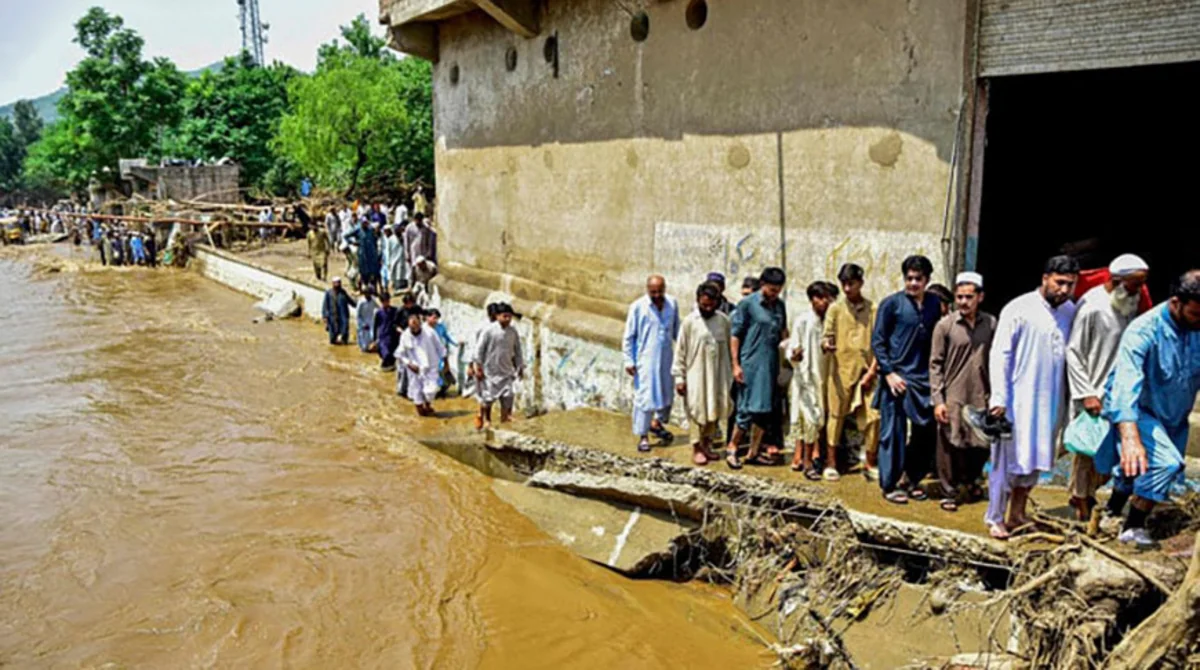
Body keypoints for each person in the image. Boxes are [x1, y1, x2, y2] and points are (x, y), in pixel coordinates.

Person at [1095, 271, 1200, 547]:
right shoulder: (1144, 330)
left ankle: (1112, 511)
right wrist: (1130, 436)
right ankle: (1133, 526)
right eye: (1195, 314)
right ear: (1176, 303)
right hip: (1139, 410)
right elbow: (1125, 385)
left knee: (1136, 467)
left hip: (1174, 412)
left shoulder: (1196, 328)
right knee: (1165, 463)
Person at [986, 255, 1079, 539]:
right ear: (1045, 278)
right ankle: (995, 517)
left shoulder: (1070, 311)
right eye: (1060, 282)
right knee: (1006, 463)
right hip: (1017, 402)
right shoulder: (1019, 308)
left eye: (1070, 284)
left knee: (1035, 460)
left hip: (1050, 402)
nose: (1064, 290)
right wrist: (999, 397)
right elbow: (1000, 353)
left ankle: (1017, 515)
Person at [1065, 253, 1149, 520]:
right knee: (1086, 452)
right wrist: (1087, 394)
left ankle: (1083, 495)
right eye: (1135, 284)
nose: (1140, 290)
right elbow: (1074, 352)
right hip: (1093, 391)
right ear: (1117, 281)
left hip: (1119, 392)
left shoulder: (1128, 303)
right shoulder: (1092, 306)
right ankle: (1081, 502)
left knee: (1107, 453)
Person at [872, 255, 942, 504]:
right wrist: (889, 373)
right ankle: (889, 485)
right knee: (893, 433)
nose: (913, 283)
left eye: (918, 279)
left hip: (923, 380)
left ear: (927, 280)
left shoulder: (934, 304)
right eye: (909, 278)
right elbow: (878, 342)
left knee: (926, 432)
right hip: (896, 379)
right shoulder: (891, 304)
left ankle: (910, 479)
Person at [930, 272, 996, 512]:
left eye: (969, 297)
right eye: (959, 297)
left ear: (980, 297)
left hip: (981, 394)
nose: (964, 302)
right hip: (953, 395)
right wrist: (938, 400)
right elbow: (935, 364)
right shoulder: (945, 326)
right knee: (949, 444)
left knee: (980, 444)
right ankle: (948, 491)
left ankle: (970, 482)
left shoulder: (991, 324)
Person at [725, 267, 788, 469]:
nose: (774, 294)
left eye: (778, 290)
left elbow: (783, 332)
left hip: (770, 365)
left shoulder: (780, 306)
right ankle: (732, 447)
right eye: (771, 289)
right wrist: (735, 365)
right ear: (762, 285)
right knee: (745, 409)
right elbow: (735, 335)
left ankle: (753, 452)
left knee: (763, 410)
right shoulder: (747, 304)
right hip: (750, 364)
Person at [824, 263, 881, 480]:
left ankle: (870, 463)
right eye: (844, 284)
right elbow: (826, 335)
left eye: (851, 284)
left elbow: (880, 344)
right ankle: (831, 464)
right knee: (835, 417)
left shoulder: (873, 309)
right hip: (841, 372)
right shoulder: (835, 309)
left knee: (874, 417)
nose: (847, 289)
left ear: (861, 283)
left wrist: (872, 372)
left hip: (868, 373)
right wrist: (826, 344)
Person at [673, 282, 733, 465]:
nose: (707, 308)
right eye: (704, 304)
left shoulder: (723, 321)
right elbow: (680, 351)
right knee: (696, 409)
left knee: (713, 409)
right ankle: (696, 448)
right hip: (695, 376)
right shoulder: (690, 322)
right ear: (698, 300)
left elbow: (728, 350)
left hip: (717, 375)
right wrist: (679, 377)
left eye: (711, 305)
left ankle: (707, 445)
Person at [624, 275, 680, 452]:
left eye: (659, 292)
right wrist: (629, 360)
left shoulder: (672, 303)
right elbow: (629, 336)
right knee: (645, 398)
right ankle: (643, 436)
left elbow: (677, 331)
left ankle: (656, 423)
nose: (656, 295)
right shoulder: (638, 307)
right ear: (648, 290)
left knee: (666, 394)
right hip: (645, 360)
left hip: (666, 358)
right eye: (653, 292)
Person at [789, 281, 837, 479]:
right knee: (810, 420)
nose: (824, 302)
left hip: (826, 380)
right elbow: (793, 349)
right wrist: (796, 355)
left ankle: (817, 458)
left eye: (827, 298)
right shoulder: (802, 321)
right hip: (806, 380)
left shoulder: (833, 322)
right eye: (819, 297)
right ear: (812, 300)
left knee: (820, 421)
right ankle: (808, 463)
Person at [474, 303, 525, 429]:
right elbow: (479, 350)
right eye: (505, 316)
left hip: (506, 370)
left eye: (509, 317)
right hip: (490, 371)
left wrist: (520, 366)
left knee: (508, 396)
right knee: (488, 398)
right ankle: (487, 419)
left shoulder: (513, 332)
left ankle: (505, 417)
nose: (507, 319)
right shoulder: (488, 331)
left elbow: (518, 350)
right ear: (497, 316)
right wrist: (478, 366)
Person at [400, 307, 447, 416]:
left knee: (431, 391)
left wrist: (446, 363)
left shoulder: (430, 333)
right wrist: (409, 364)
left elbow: (440, 348)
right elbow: (400, 354)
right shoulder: (405, 336)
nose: (414, 329)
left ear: (420, 324)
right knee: (417, 393)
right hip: (414, 369)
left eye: (416, 326)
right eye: (412, 327)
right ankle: (422, 412)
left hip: (431, 367)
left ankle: (427, 404)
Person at [426, 308, 457, 395]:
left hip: (439, 353)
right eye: (434, 318)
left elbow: (447, 337)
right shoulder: (423, 329)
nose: (435, 320)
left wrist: (456, 343)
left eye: (437, 318)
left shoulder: (441, 327)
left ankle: (442, 387)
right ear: (427, 317)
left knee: (440, 370)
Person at [405, 212, 438, 288]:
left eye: (420, 220)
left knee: (423, 269)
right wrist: (407, 253)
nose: (418, 222)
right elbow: (406, 241)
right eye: (417, 220)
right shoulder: (409, 228)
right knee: (413, 270)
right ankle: (411, 286)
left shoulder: (425, 228)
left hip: (423, 252)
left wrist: (428, 252)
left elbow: (428, 240)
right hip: (413, 252)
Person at [373, 292, 404, 371]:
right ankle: (384, 366)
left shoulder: (395, 310)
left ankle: (390, 367)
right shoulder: (378, 313)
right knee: (385, 353)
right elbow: (375, 326)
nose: (386, 303)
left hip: (393, 335)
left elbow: (399, 321)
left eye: (387, 301)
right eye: (384, 301)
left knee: (393, 353)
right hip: (383, 336)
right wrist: (375, 339)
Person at [322, 277, 352, 345]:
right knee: (333, 338)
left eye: (339, 283)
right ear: (332, 284)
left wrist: (357, 304)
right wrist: (325, 316)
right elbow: (325, 305)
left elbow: (350, 301)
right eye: (336, 283)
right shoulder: (328, 293)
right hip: (332, 317)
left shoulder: (343, 293)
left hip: (343, 317)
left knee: (344, 335)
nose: (337, 284)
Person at [382, 225, 407, 292]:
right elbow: (388, 251)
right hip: (394, 259)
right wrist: (388, 261)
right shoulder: (391, 239)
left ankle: (402, 286)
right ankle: (397, 287)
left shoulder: (404, 237)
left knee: (403, 273)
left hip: (403, 258)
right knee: (396, 274)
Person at [356, 287, 379, 353]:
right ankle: (364, 349)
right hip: (363, 321)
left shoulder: (373, 300)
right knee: (363, 338)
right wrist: (362, 324)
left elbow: (378, 307)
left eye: (369, 293)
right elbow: (358, 314)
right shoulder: (361, 301)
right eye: (366, 293)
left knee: (372, 336)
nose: (368, 295)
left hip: (371, 321)